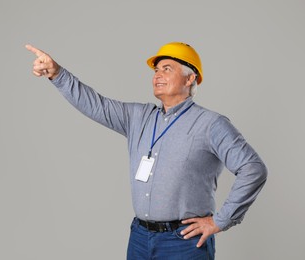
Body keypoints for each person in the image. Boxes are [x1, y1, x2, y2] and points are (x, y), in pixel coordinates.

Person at [25, 42, 267, 260]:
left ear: (190, 78)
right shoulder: (138, 117)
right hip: (140, 238)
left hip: (183, 242)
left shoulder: (211, 124)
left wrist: (220, 221)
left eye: (167, 69)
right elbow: (94, 104)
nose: (158, 75)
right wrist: (57, 74)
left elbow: (253, 169)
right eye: (156, 70)